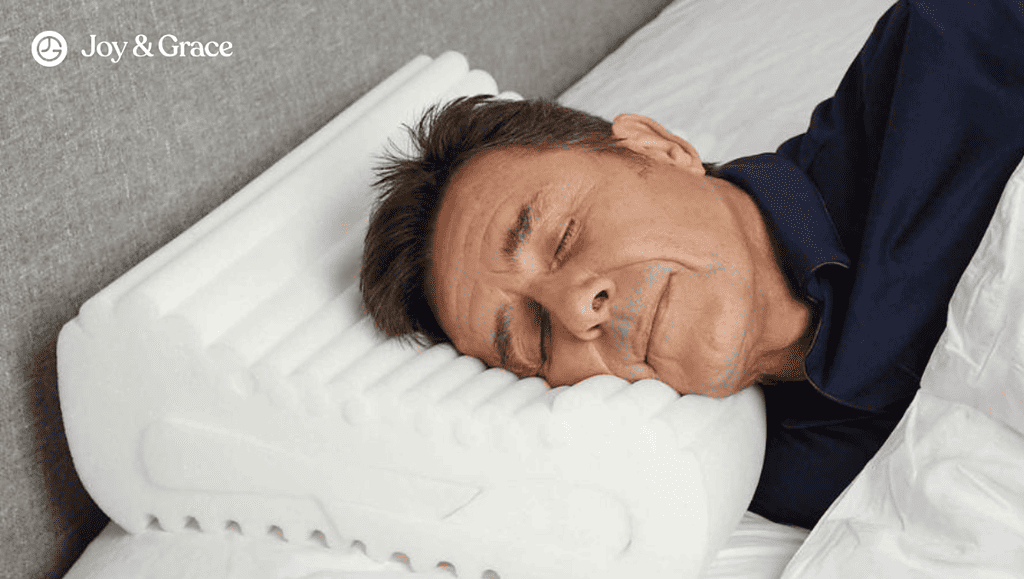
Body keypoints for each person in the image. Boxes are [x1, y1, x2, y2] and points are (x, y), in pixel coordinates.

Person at [361, 0, 1024, 529]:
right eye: (534, 337)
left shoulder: (954, 49)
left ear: (658, 147)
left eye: (563, 238)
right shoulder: (758, 479)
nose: (574, 307)